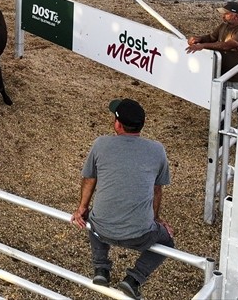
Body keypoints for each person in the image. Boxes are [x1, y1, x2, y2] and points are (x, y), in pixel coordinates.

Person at [73, 98, 173, 300]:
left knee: (92, 216)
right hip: (140, 235)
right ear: (141, 126)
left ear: (117, 124)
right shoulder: (157, 150)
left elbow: (89, 179)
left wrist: (81, 208)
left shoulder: (101, 144)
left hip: (101, 230)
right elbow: (157, 190)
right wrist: (155, 219)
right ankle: (134, 279)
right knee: (167, 241)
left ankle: (101, 268)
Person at [186, 1, 238, 79]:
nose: (223, 16)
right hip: (221, 73)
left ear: (236, 16)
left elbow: (227, 45)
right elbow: (211, 38)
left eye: (226, 14)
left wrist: (203, 45)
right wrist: (199, 39)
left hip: (236, 75)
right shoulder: (224, 26)